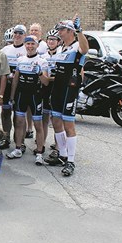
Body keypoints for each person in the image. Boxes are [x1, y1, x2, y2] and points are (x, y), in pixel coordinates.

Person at [44, 17, 89, 176]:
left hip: (70, 90)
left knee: (69, 125)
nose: (59, 33)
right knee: (56, 122)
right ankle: (62, 154)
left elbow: (85, 49)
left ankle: (70, 160)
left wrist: (80, 31)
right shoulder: (62, 47)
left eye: (62, 30)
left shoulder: (77, 45)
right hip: (57, 89)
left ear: (70, 31)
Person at [7, 36, 49, 164]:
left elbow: (46, 82)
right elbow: (15, 80)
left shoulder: (42, 61)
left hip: (35, 96)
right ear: (25, 45)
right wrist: (12, 96)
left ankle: (40, 152)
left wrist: (40, 73)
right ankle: (18, 148)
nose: (30, 46)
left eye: (32, 44)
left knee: (38, 125)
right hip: (21, 95)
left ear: (37, 45)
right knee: (19, 122)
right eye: (28, 44)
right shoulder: (20, 60)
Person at [0, 24, 28, 147]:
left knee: (19, 115)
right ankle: (6, 138)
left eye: (20, 33)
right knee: (5, 113)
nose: (17, 35)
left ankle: (20, 141)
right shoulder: (5, 49)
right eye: (16, 32)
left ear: (24, 35)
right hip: (7, 85)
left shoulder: (27, 49)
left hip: (21, 87)